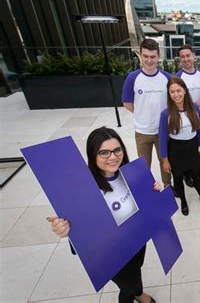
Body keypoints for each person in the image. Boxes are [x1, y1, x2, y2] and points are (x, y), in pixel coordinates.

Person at [47, 127, 159, 303]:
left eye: (117, 150)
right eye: (104, 152)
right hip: (111, 252)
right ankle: (133, 294)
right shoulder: (85, 190)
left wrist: (153, 194)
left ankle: (139, 293)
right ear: (93, 155)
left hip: (137, 239)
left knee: (137, 269)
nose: (113, 157)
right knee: (127, 286)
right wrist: (66, 229)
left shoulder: (132, 175)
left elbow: (147, 209)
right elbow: (83, 235)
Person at [159, 77, 200, 216]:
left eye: (178, 90)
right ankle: (183, 201)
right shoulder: (165, 114)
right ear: (169, 94)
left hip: (192, 147)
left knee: (196, 175)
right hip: (175, 150)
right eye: (172, 92)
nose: (176, 94)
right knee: (178, 178)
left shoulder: (194, 108)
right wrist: (165, 160)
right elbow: (162, 138)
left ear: (184, 91)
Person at [122, 38, 171, 188]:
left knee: (165, 162)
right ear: (140, 56)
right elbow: (127, 103)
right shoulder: (132, 78)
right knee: (144, 165)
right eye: (146, 56)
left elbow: (172, 102)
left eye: (152, 57)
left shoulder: (167, 78)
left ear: (158, 56)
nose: (149, 60)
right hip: (142, 131)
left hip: (162, 131)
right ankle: (148, 189)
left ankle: (168, 186)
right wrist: (142, 114)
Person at [176, 45, 200, 187]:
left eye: (188, 55)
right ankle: (186, 174)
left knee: (196, 144)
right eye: (182, 57)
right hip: (184, 120)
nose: (185, 59)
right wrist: (196, 103)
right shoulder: (178, 77)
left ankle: (195, 167)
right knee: (186, 147)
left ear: (194, 56)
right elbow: (176, 101)